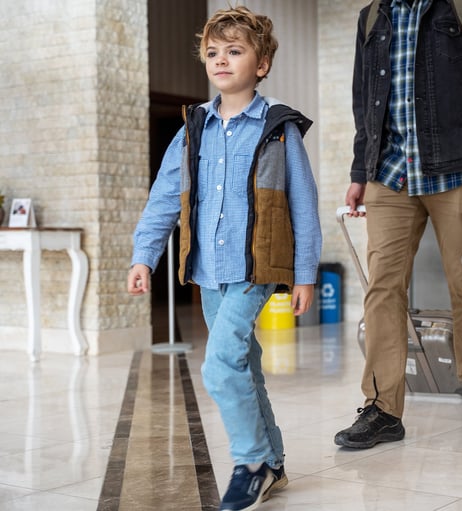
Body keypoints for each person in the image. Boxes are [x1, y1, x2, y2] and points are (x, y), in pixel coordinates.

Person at [127, 7, 321, 510]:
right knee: (244, 362)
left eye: (234, 51)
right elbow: (165, 197)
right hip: (208, 271)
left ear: (261, 63)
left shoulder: (279, 129)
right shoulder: (193, 129)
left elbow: (303, 204)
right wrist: (143, 256)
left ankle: (250, 461)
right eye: (213, 52)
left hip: (256, 267)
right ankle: (275, 462)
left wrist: (304, 275)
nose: (221, 60)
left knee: (218, 366)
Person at [335, 0, 462, 449]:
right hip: (389, 171)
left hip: (458, 166)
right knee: (382, 285)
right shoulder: (372, 16)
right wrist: (360, 170)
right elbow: (365, 101)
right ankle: (382, 407)